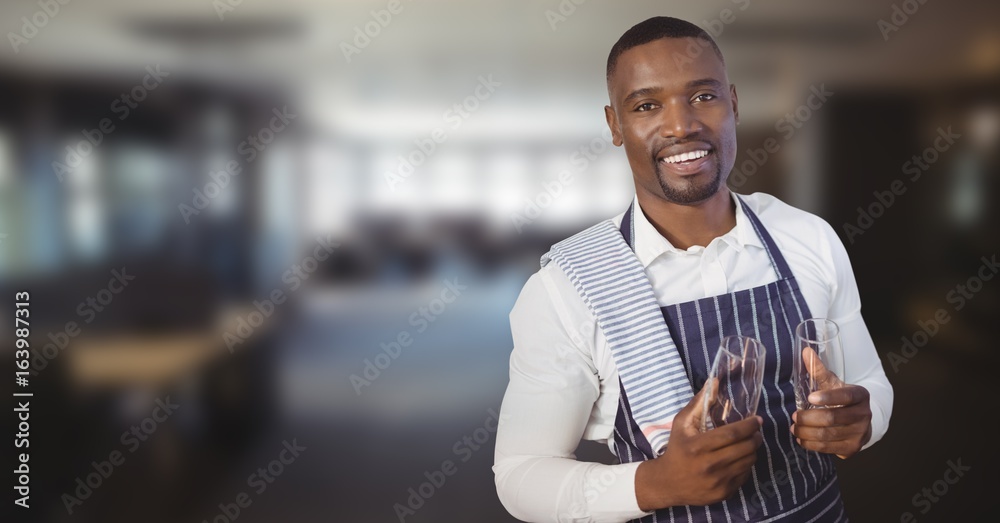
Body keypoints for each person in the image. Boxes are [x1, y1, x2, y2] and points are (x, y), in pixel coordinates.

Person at [493, 16, 893, 523]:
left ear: (734, 104)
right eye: (646, 105)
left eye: (703, 97)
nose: (681, 125)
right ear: (615, 125)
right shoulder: (566, 288)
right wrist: (657, 482)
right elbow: (520, 475)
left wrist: (862, 420)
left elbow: (871, 385)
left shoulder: (807, 237)